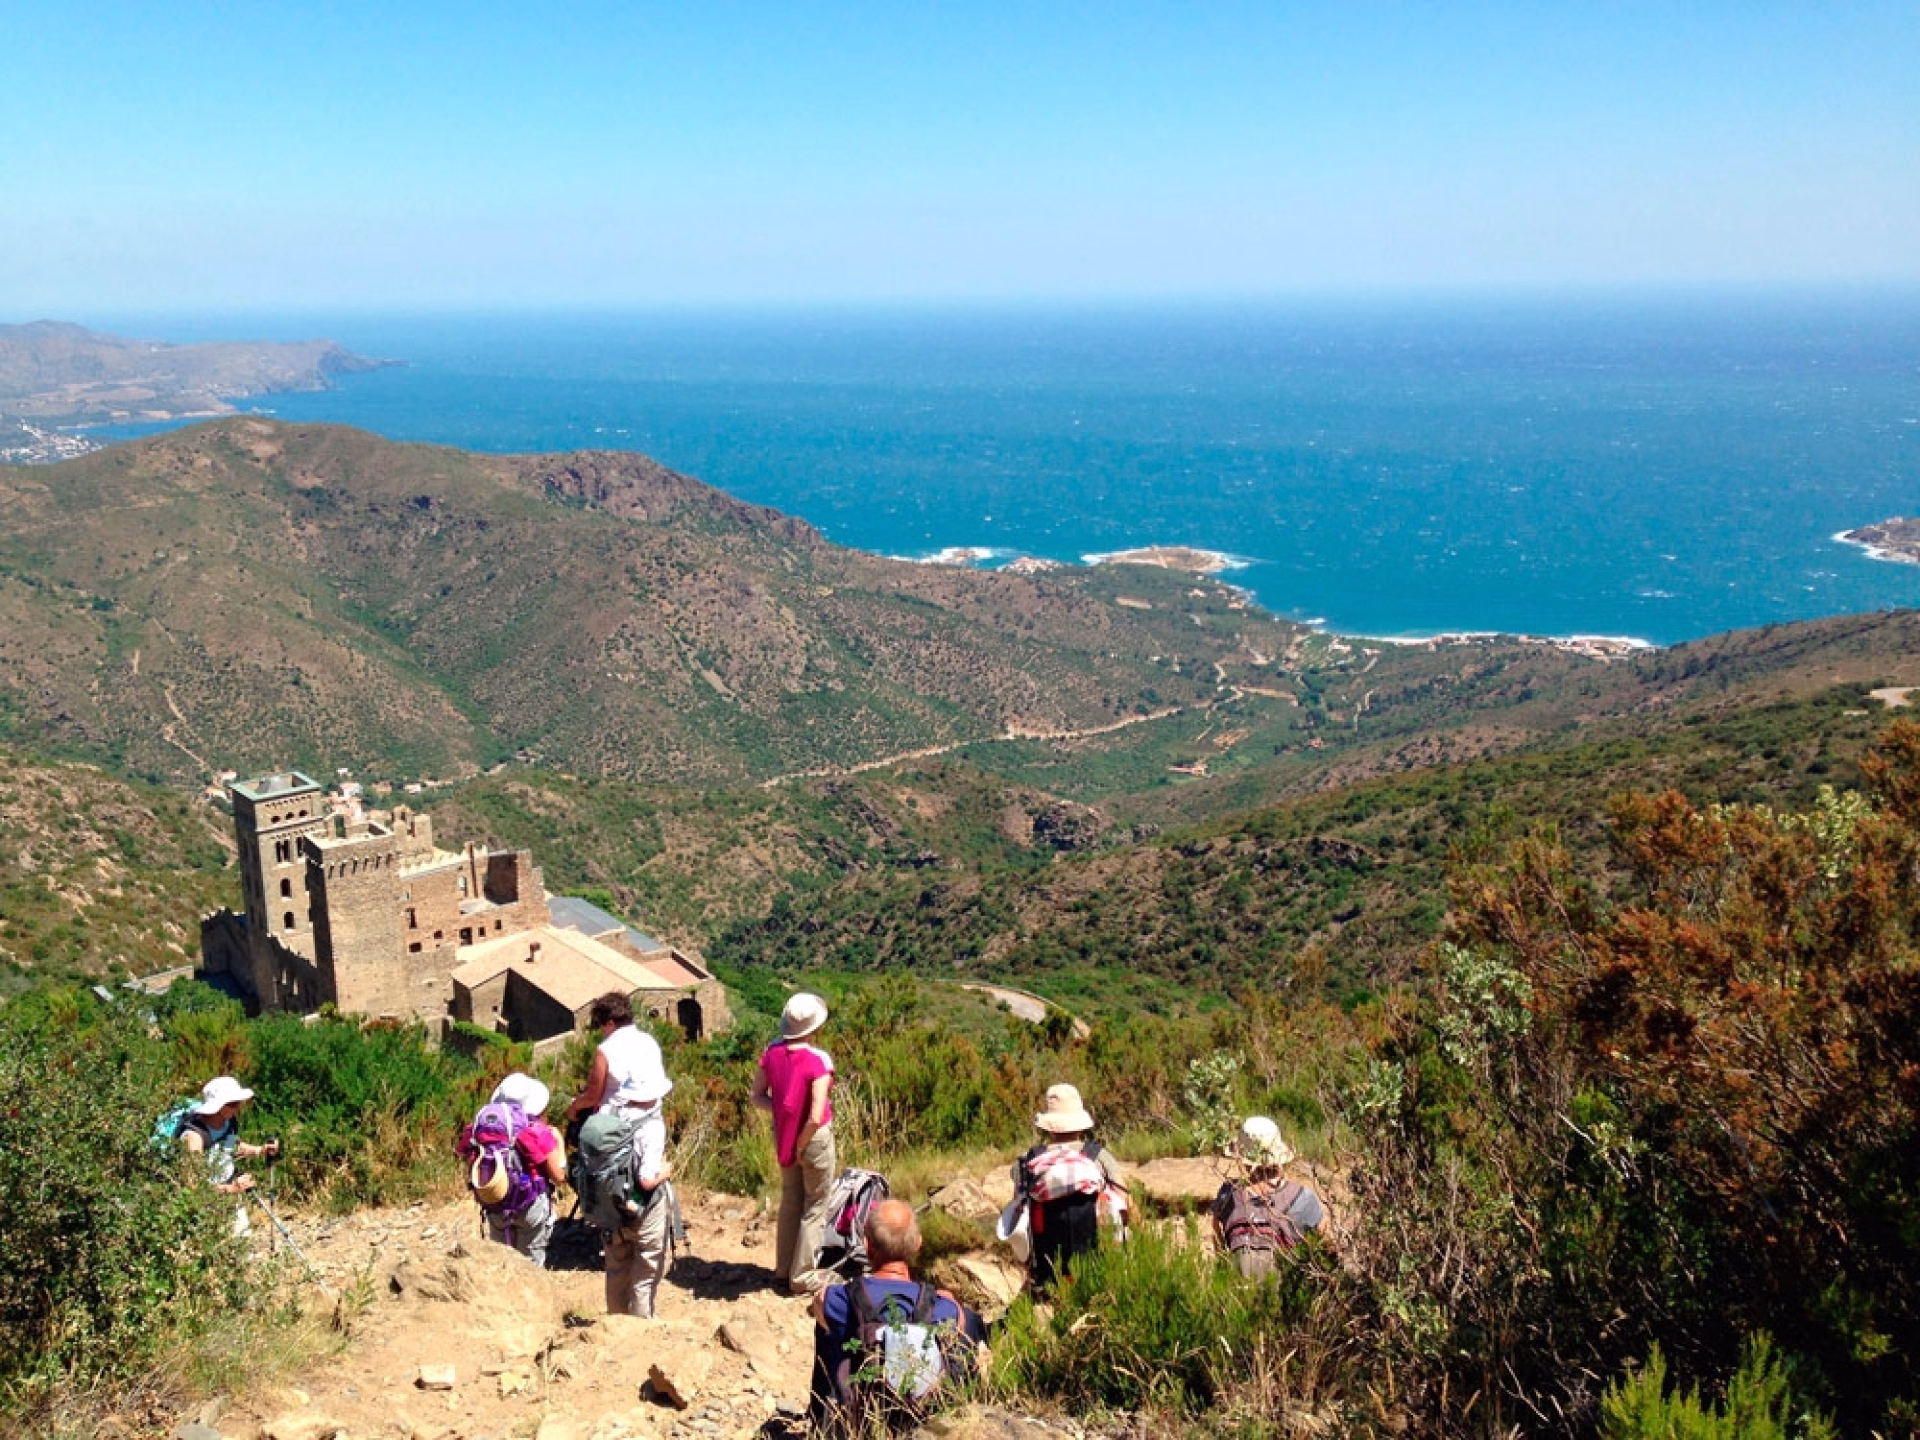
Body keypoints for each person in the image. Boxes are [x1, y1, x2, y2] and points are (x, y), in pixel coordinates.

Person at [810, 1198, 987, 1434]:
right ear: (917, 1245)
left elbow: (819, 1303)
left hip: (864, 1420)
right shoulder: (943, 1307)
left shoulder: (841, 1299)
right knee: (971, 1325)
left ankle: (821, 1419)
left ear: (866, 1244)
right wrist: (953, 1303)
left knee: (827, 1329)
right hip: (924, 1420)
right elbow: (963, 1322)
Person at [567, 991, 675, 1316]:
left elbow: (593, 1093)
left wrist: (574, 1109)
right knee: (646, 1269)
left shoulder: (606, 1050)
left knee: (615, 1265)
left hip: (611, 1142)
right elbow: (647, 1177)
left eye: (601, 1024)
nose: (601, 1030)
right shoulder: (649, 1044)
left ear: (610, 1021)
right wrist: (666, 1172)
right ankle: (641, 1324)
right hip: (643, 1161)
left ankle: (615, 1318)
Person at [751, 991, 836, 1296]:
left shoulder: (771, 1052)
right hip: (813, 1140)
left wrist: (781, 1114)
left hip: (783, 1134)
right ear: (814, 1028)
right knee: (816, 1204)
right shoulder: (819, 1060)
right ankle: (802, 1276)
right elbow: (815, 1115)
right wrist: (803, 1142)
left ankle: (783, 1268)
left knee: (790, 1200)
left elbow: (756, 1096)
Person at [1011, 1082, 1127, 1292]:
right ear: (1081, 1124)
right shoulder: (1098, 1157)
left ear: (1047, 1126)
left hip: (1047, 1263)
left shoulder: (1028, 1161)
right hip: (1095, 1258)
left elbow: (1018, 1208)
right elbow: (1122, 1201)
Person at [466, 1072, 568, 1267]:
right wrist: (558, 1143)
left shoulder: (484, 1128)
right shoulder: (537, 1131)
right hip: (530, 1205)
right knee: (530, 1265)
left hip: (495, 1202)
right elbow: (559, 1176)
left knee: (502, 1262)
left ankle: (504, 1296)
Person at [1209, 1116, 1326, 1278]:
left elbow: (1217, 1233)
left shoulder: (1228, 1192)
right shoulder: (1302, 1198)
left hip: (1238, 1292)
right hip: (1286, 1295)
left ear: (1242, 1159)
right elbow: (1325, 1246)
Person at [178, 1075, 278, 1236]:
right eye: (232, 1104)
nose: (237, 1107)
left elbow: (230, 1148)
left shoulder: (228, 1123)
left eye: (238, 1102)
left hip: (230, 1193)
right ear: (218, 1105)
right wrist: (231, 1188)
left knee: (242, 1242)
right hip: (206, 1202)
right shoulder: (194, 1137)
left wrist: (261, 1150)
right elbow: (193, 1185)